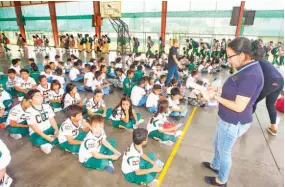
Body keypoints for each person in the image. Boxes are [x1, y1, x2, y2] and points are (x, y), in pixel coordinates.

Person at [203, 37, 264, 186]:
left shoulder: (251, 75)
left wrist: (215, 96)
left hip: (233, 121)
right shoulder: (245, 68)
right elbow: (234, 89)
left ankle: (221, 180)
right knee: (216, 142)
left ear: (242, 54)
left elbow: (238, 106)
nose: (229, 60)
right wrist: (217, 89)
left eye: (230, 56)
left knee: (224, 151)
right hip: (226, 118)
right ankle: (215, 166)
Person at [251, 40, 284, 136]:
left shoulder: (255, 61)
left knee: (253, 101)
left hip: (271, 82)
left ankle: (245, 122)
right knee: (270, 104)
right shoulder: (264, 61)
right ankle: (273, 127)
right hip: (280, 81)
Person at [26, 89, 59, 154]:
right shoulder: (28, 111)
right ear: (30, 100)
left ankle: (49, 142)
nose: (40, 97)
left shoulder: (47, 106)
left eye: (40, 95)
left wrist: (56, 129)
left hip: (49, 128)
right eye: (37, 96)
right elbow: (35, 128)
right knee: (38, 140)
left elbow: (52, 119)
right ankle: (48, 143)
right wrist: (46, 136)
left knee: (61, 128)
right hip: (38, 132)